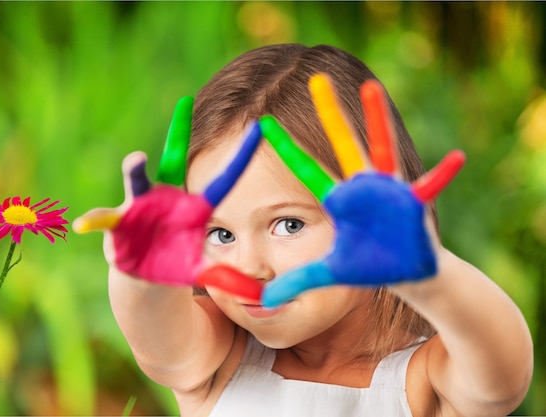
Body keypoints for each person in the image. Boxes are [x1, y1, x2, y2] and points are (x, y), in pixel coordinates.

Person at [74, 44, 533, 417]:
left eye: (288, 224)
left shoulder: (424, 379)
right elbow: (160, 343)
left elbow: (503, 380)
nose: (250, 267)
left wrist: (430, 275)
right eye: (220, 234)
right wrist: (140, 271)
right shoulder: (219, 357)